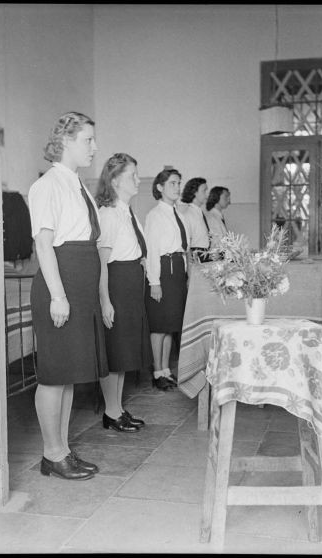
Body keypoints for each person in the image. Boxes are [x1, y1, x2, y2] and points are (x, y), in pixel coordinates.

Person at [28, 111, 107, 480]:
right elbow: (44, 245)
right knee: (54, 374)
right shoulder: (47, 185)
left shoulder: (77, 184)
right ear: (66, 141)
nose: (94, 146)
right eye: (87, 140)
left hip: (79, 284)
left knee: (70, 373)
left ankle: (62, 450)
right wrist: (58, 296)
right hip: (59, 285)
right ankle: (52, 453)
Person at [96, 153, 152, 432]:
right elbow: (102, 263)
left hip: (130, 284)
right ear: (116, 180)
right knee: (115, 351)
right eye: (133, 175)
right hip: (116, 284)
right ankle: (110, 411)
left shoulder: (127, 212)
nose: (138, 180)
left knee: (124, 352)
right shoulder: (108, 214)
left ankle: (117, 409)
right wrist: (105, 301)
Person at [144, 168, 189, 390]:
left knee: (171, 325)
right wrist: (154, 282)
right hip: (163, 270)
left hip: (178, 270)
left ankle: (166, 370)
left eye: (179, 183)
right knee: (159, 325)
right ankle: (156, 371)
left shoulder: (178, 213)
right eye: (172, 183)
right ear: (160, 187)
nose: (177, 187)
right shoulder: (155, 215)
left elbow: (183, 247)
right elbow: (151, 250)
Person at [178, 177, 211, 263]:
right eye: (204, 191)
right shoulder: (187, 215)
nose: (207, 195)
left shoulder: (199, 212)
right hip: (196, 257)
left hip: (205, 255)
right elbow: (186, 243)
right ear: (195, 193)